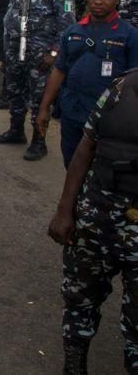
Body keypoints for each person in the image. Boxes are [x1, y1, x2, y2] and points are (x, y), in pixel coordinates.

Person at [47, 68, 138, 374]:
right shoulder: (120, 88)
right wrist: (65, 210)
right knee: (79, 299)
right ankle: (74, 364)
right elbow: (86, 147)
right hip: (97, 217)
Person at [36, 0, 138, 167]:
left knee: (102, 170)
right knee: (71, 162)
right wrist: (44, 108)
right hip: (73, 112)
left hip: (109, 119)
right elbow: (59, 71)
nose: (98, 1)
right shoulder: (72, 32)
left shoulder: (130, 36)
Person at [0, 0, 75, 161]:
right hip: (15, 50)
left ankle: (39, 141)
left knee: (39, 99)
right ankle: (16, 130)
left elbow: (67, 26)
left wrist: (55, 54)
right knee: (15, 90)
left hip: (41, 54)